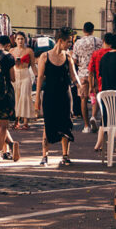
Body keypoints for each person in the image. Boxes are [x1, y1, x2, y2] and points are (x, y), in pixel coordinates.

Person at [36, 27, 82, 167]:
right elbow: (40, 78)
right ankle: (45, 155)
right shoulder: (45, 56)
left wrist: (79, 87)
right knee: (48, 123)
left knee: (65, 124)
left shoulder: (68, 57)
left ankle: (65, 155)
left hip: (64, 94)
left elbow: (74, 76)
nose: (70, 44)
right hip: (50, 93)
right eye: (68, 41)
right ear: (60, 41)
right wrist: (37, 97)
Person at [72, 22, 100, 133]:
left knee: (83, 99)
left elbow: (74, 60)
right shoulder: (98, 41)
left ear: (83, 30)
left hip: (82, 74)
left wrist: (80, 65)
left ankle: (86, 125)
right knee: (94, 95)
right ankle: (93, 116)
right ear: (93, 30)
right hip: (94, 73)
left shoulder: (77, 43)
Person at [10, 32, 36, 130]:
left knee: (25, 97)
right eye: (18, 39)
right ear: (15, 40)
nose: (20, 41)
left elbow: (33, 65)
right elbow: (9, 65)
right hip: (15, 74)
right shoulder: (11, 51)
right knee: (16, 97)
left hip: (25, 74)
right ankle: (16, 121)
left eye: (22, 39)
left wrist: (37, 76)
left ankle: (25, 122)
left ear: (25, 40)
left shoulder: (29, 51)